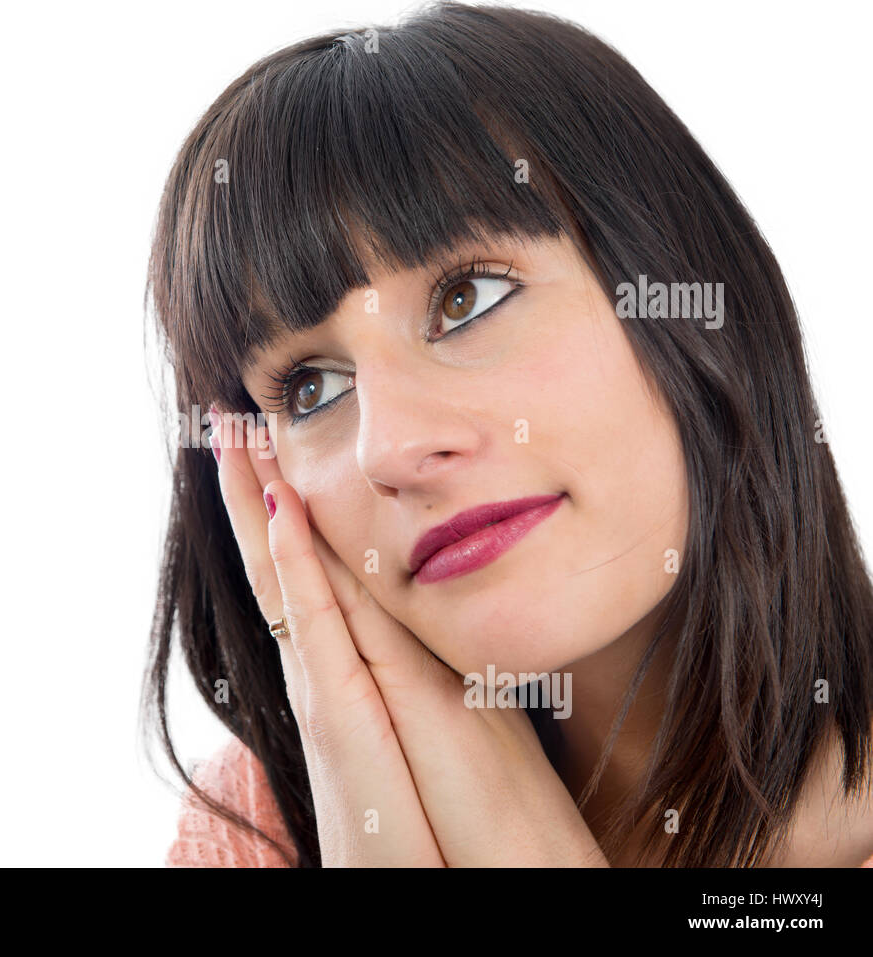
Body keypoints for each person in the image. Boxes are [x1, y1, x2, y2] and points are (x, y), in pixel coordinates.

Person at [141, 1, 873, 867]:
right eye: (312, 387)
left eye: (468, 299)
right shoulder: (252, 826)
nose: (390, 448)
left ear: (691, 301)